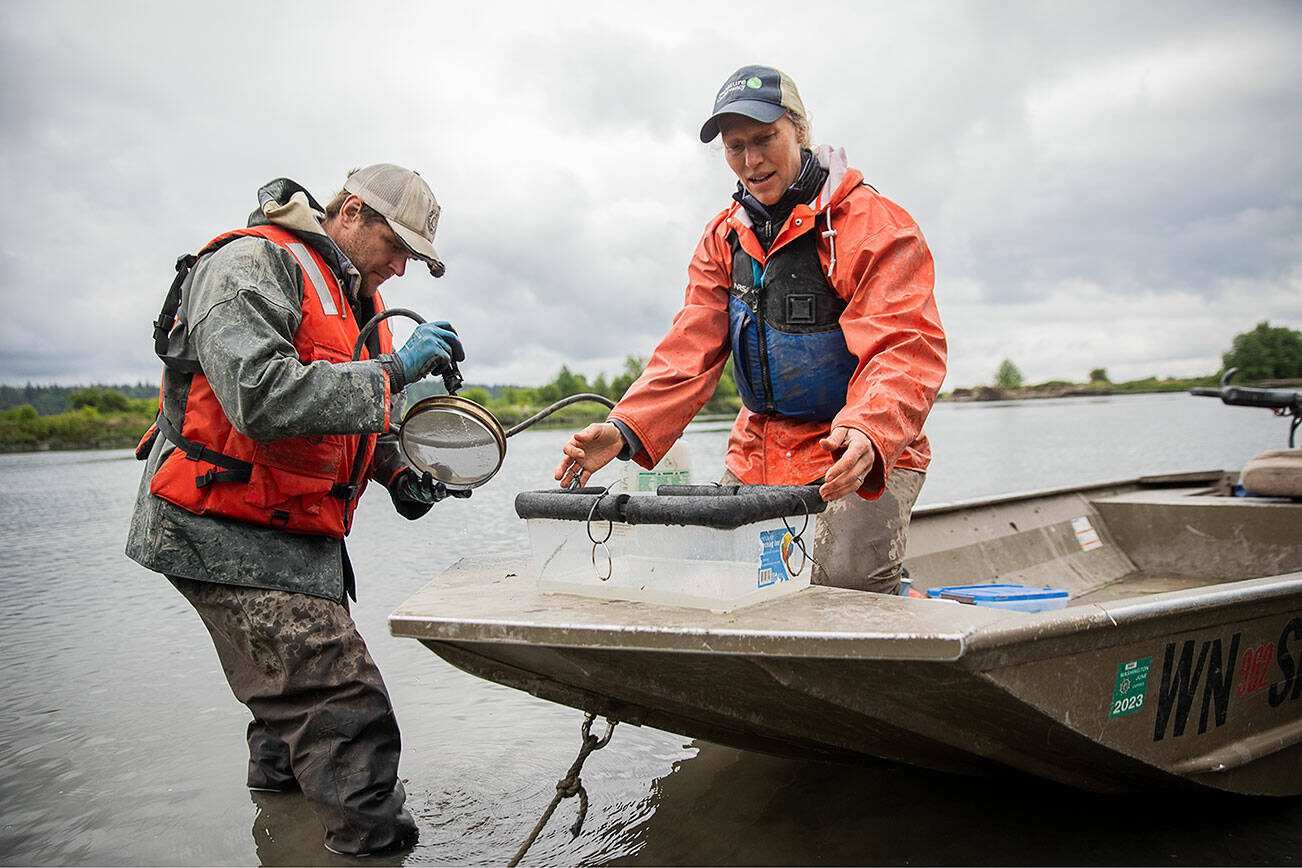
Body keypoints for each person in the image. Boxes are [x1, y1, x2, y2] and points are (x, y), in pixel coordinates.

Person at [127, 163, 468, 855]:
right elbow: (260, 396)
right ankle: (377, 851)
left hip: (295, 536)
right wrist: (397, 370)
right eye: (396, 247)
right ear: (349, 214)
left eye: (413, 257)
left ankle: (280, 837)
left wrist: (401, 472)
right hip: (217, 527)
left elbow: (367, 422)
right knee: (343, 706)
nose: (400, 269)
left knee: (288, 720)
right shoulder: (251, 264)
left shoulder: (360, 309)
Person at [555, 66, 947, 594]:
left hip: (855, 448)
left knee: (845, 585)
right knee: (725, 580)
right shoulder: (723, 237)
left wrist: (870, 430)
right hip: (758, 449)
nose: (751, 160)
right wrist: (624, 429)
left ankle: (903, 596)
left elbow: (905, 346)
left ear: (801, 133)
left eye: (765, 139)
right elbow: (688, 350)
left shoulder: (873, 225)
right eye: (735, 146)